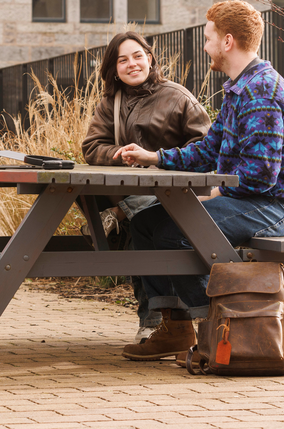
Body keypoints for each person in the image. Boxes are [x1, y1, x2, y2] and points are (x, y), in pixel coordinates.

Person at [114, 0, 284, 361]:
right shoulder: (239, 88)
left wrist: (214, 192)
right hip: (250, 200)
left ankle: (218, 329)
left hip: (277, 206)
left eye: (208, 39)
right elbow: (208, 150)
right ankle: (175, 328)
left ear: (227, 41)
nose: (205, 46)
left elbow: (261, 176)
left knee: (175, 231)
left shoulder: (261, 91)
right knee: (145, 224)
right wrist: (155, 157)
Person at [81, 31, 211, 342]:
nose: (132, 64)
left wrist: (158, 161)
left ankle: (159, 323)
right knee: (142, 230)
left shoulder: (178, 97)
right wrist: (121, 155)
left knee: (147, 223)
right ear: (114, 69)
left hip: (178, 196)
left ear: (150, 58)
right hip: (132, 192)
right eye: (122, 60)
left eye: (138, 56)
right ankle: (157, 324)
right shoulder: (110, 102)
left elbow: (206, 148)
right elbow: (91, 147)